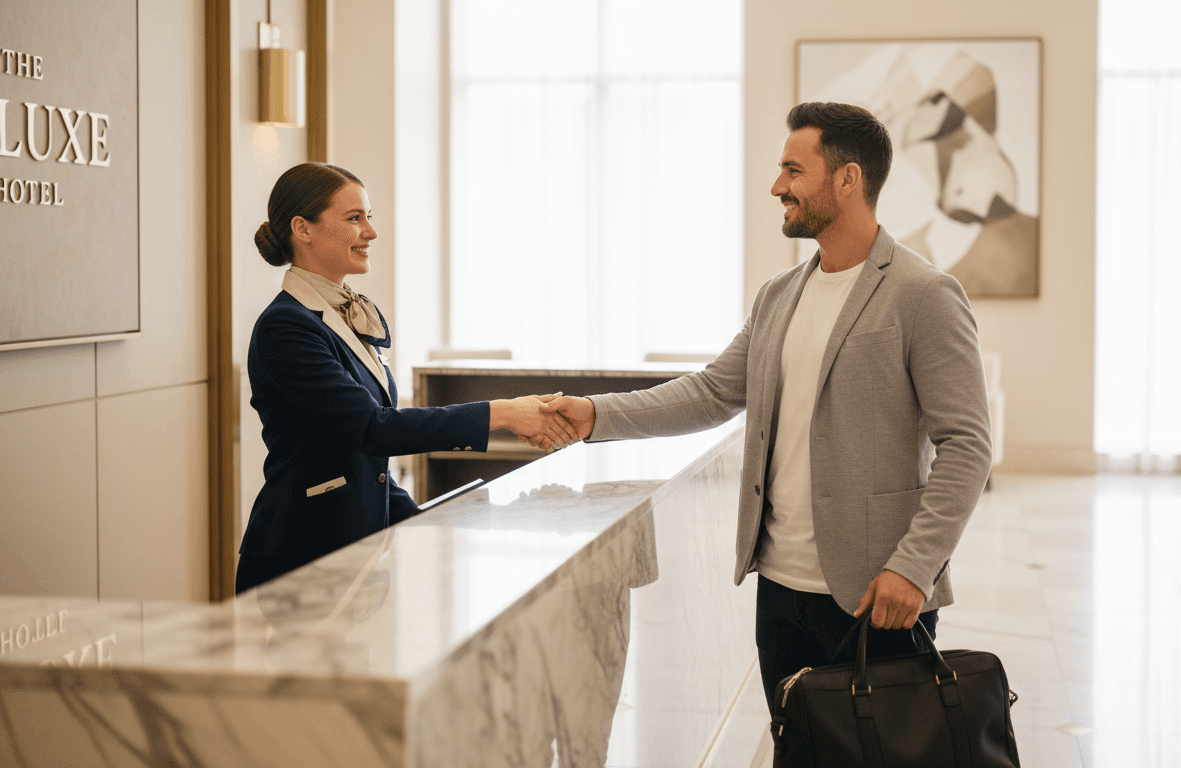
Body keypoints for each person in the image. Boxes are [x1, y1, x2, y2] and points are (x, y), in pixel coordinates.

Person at [541, 103, 992, 708]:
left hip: (877, 598)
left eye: (793, 170)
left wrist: (915, 566)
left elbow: (967, 446)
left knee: (880, 750)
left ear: (848, 179)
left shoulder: (925, 294)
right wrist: (596, 415)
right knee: (794, 745)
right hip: (779, 592)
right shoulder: (777, 296)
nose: (777, 186)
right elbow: (712, 391)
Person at [237, 162, 578, 594]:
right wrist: (503, 413)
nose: (370, 232)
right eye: (354, 218)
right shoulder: (286, 326)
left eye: (368, 217)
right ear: (302, 228)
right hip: (300, 554)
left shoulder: (342, 314)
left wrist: (431, 523)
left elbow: (365, 465)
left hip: (354, 552)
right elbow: (373, 429)